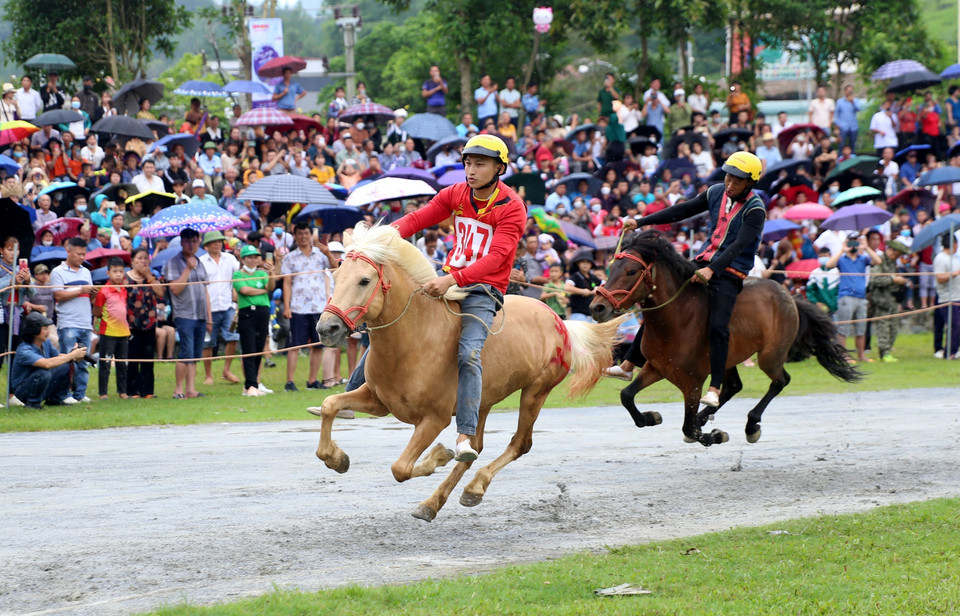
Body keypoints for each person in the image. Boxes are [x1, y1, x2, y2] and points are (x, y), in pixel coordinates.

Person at [347, 134, 526, 462]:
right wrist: (380, 239)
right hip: (447, 278)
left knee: (469, 353)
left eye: (480, 164)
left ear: (500, 168)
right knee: (391, 322)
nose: (471, 170)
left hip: (483, 289)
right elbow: (418, 219)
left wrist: (451, 279)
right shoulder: (455, 193)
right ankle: (350, 396)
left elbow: (497, 258)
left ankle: (466, 434)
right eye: (468, 163)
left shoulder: (512, 207)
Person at [615, 152, 766, 408]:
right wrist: (640, 221)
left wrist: (713, 270)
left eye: (737, 181)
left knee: (718, 325)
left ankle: (715, 388)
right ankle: (628, 365)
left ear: (750, 183)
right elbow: (681, 211)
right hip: (702, 262)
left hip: (731, 271)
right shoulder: (716, 192)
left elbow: (738, 245)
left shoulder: (756, 210)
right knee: (659, 297)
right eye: (728, 177)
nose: (730, 184)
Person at [281, 223, 338, 391]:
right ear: (295, 236)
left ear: (310, 235)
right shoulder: (290, 257)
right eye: (299, 233)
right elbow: (287, 283)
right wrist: (286, 307)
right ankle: (290, 381)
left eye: (306, 233)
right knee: (295, 345)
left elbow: (335, 269)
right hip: (298, 307)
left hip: (318, 306)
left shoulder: (320, 255)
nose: (303, 236)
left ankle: (312, 381)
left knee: (318, 345)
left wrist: (328, 253)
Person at [163, 228, 212, 399]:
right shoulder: (173, 262)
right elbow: (175, 289)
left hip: (200, 314)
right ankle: (178, 389)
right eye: (187, 241)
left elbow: (205, 290)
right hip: (184, 314)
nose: (191, 245)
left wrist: (209, 318)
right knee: (186, 352)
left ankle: (191, 389)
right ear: (181, 242)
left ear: (199, 242)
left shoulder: (200, 261)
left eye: (194, 241)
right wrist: (188, 269)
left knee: (195, 354)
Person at [51, 237, 96, 403]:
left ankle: (80, 394)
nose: (82, 257)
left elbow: (88, 298)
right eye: (79, 254)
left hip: (85, 322)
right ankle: (64, 394)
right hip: (68, 322)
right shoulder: (57, 272)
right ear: (68, 251)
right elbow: (58, 295)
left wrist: (93, 294)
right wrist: (80, 290)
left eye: (84, 254)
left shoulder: (86, 272)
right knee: (67, 360)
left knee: (84, 361)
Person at [826, 232, 882, 363]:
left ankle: (861, 356)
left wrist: (866, 247)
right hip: (846, 297)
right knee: (843, 329)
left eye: (855, 241)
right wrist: (842, 250)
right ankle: (843, 356)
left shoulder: (863, 258)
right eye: (851, 241)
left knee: (861, 329)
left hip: (861, 297)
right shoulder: (841, 259)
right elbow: (828, 265)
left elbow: (878, 261)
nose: (853, 244)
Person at [11, 312, 87, 409]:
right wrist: (71, 355)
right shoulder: (24, 350)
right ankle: (33, 403)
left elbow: (57, 357)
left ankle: (56, 398)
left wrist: (73, 355)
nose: (48, 332)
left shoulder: (45, 342)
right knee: (43, 372)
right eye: (45, 329)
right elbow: (46, 364)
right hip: (23, 390)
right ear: (34, 330)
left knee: (68, 365)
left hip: (41, 384)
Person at [233, 244, 276, 396]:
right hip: (247, 313)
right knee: (249, 349)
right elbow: (245, 290)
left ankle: (253, 384)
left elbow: (271, 286)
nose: (253, 260)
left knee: (259, 348)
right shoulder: (238, 275)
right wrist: (263, 290)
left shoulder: (262, 273)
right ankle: (250, 385)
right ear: (243, 259)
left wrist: (271, 273)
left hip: (262, 312)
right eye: (249, 257)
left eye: (255, 257)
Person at [199, 231, 241, 386]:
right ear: (207, 245)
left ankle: (226, 370)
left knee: (233, 337)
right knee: (208, 342)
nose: (217, 244)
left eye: (220, 241)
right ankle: (208, 375)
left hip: (228, 305)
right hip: (209, 307)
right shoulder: (201, 261)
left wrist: (241, 259)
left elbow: (240, 273)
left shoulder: (230, 258)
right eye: (214, 241)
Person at [125, 247, 162, 398]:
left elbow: (160, 293)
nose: (143, 261)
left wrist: (148, 276)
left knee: (148, 356)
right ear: (132, 260)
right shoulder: (125, 278)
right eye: (139, 258)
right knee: (133, 357)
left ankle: (147, 391)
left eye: (146, 258)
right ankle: (132, 390)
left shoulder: (152, 276)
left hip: (149, 322)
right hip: (131, 323)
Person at [93, 257, 130, 399]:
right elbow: (97, 310)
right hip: (108, 331)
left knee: (123, 364)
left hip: (123, 331)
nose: (118, 274)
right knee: (105, 363)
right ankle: (103, 393)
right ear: (108, 273)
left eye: (121, 271)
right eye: (115, 271)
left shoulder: (125, 290)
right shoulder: (104, 291)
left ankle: (122, 391)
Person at [868, 240, 910, 362]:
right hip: (881, 300)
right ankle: (884, 353)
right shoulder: (879, 260)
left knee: (894, 327)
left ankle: (888, 349)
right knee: (884, 327)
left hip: (893, 299)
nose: (897, 257)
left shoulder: (893, 262)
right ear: (891, 250)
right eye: (897, 254)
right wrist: (893, 279)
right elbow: (875, 280)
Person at [933, 234, 960, 359]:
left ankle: (954, 350)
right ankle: (949, 352)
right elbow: (940, 278)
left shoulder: (955, 258)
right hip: (947, 298)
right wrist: (955, 273)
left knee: (957, 325)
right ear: (953, 244)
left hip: (957, 296)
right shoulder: (940, 258)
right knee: (955, 324)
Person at [835, 85, 861, 150]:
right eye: (848, 90)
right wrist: (837, 126)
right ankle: (840, 156)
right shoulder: (840, 101)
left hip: (853, 126)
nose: (850, 92)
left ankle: (852, 156)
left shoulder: (855, 100)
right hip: (843, 126)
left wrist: (853, 102)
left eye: (851, 91)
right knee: (841, 144)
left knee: (852, 145)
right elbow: (836, 114)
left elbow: (858, 109)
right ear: (845, 91)